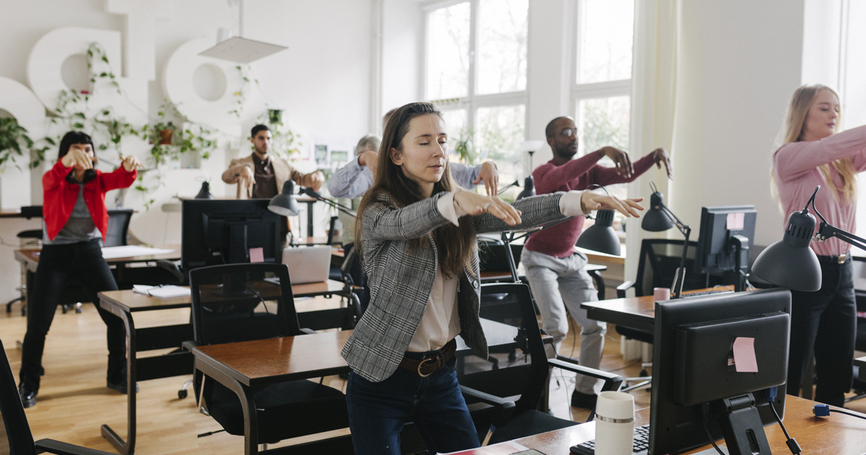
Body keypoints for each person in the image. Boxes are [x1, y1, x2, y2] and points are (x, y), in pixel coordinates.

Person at [340, 102, 644, 454]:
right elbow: (406, 222)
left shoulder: (458, 210)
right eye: (424, 141)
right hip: (380, 377)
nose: (438, 150)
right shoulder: (378, 208)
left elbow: (517, 213)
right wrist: (454, 201)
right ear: (395, 155)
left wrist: (579, 200)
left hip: (440, 375)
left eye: (442, 140)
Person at [521, 116, 671, 409]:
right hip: (540, 259)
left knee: (595, 325)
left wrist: (652, 157)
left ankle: (584, 392)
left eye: (576, 131)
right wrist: (602, 150)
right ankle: (539, 395)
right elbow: (562, 175)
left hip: (571, 259)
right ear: (551, 140)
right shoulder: (544, 172)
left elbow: (624, 175)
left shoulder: (589, 174)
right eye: (566, 132)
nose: (573, 136)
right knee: (557, 329)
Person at [18, 131, 143, 408]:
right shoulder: (53, 178)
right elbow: (51, 177)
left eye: (87, 149)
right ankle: (28, 383)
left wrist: (129, 166)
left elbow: (120, 178)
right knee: (38, 325)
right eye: (76, 149)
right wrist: (65, 163)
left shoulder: (97, 180)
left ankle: (117, 375)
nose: (83, 154)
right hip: (55, 254)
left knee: (116, 316)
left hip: (89, 253)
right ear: (65, 153)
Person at [772, 84, 865, 407]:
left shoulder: (841, 163)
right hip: (805, 272)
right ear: (803, 114)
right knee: (793, 369)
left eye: (837, 108)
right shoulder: (789, 155)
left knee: (838, 371)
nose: (834, 114)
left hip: (842, 274)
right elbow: (830, 147)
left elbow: (845, 147)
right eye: (824, 108)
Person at [222, 124, 324, 199]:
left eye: (268, 138)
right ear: (252, 140)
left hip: (278, 217)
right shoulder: (240, 163)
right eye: (261, 138)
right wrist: (242, 169)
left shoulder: (283, 164)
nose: (265, 142)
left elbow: (302, 179)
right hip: (250, 216)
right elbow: (225, 177)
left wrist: (317, 175)